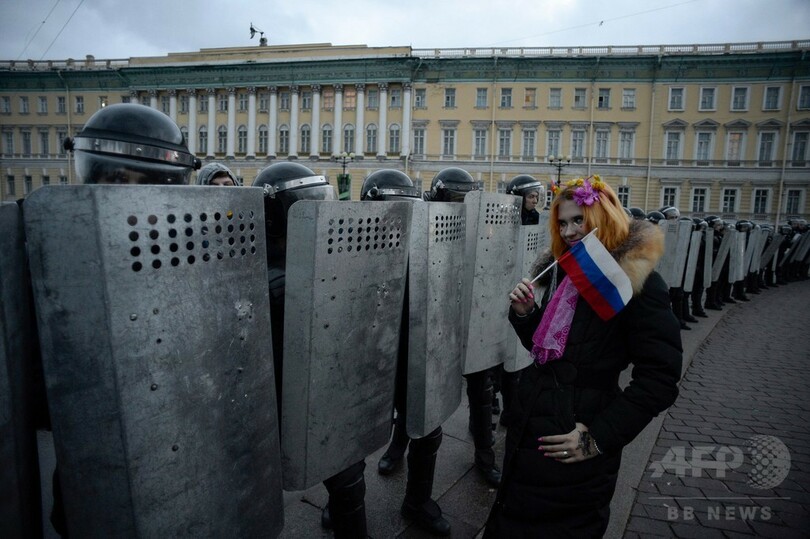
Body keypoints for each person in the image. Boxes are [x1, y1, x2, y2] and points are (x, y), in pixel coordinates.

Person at [487, 175, 682, 537]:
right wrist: (527, 314)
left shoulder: (634, 279)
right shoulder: (567, 270)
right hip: (531, 426)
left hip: (577, 438)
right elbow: (549, 352)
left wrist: (598, 439)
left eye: (579, 220)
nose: (571, 230)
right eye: (562, 222)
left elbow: (660, 379)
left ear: (603, 216)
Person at [56, 102, 200, 537]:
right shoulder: (55, 256)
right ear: (92, 175)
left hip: (176, 448)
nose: (129, 202)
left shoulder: (195, 256)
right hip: (91, 459)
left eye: (149, 184)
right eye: (117, 180)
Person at [252, 162, 368, 539]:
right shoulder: (253, 267)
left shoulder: (323, 251)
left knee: (348, 474)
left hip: (326, 387)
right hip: (273, 399)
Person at [362, 169, 451, 536]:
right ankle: (342, 504)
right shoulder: (353, 243)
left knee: (427, 426)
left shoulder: (427, 246)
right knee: (344, 437)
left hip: (413, 351)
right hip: (365, 358)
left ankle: (417, 500)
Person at [423, 167, 502, 487]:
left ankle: (485, 456)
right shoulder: (426, 221)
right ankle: (400, 451)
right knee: (420, 398)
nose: (460, 205)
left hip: (471, 320)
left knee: (482, 391)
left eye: (465, 199)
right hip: (433, 323)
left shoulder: (484, 226)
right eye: (455, 198)